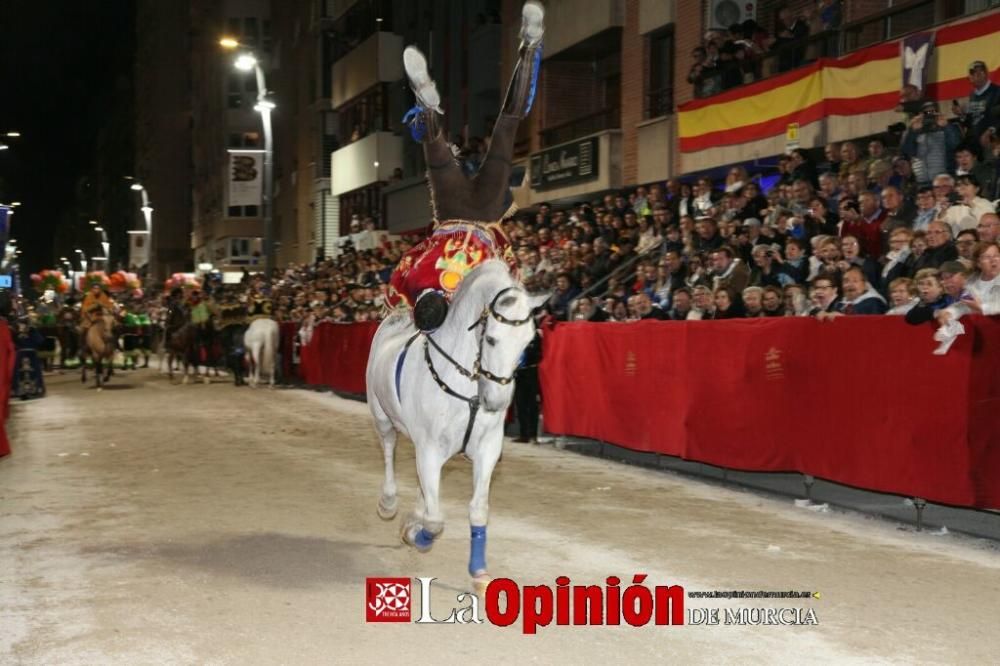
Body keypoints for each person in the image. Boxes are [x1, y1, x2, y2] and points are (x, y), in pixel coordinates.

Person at [388, 0, 545, 331]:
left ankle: (530, 46)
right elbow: (400, 280)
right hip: (453, 215)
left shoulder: (458, 298)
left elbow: (509, 284)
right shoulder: (422, 281)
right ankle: (427, 106)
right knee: (440, 155)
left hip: (483, 218)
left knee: (506, 127)